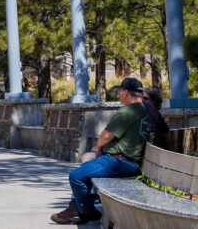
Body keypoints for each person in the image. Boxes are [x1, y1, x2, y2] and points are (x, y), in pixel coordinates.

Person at [51, 78, 152, 225]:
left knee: (76, 176)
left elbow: (106, 135)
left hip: (119, 162)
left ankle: (87, 212)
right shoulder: (144, 110)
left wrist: (98, 149)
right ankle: (74, 207)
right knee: (85, 170)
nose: (119, 95)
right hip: (129, 161)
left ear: (125, 92)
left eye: (120, 92)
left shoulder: (127, 111)